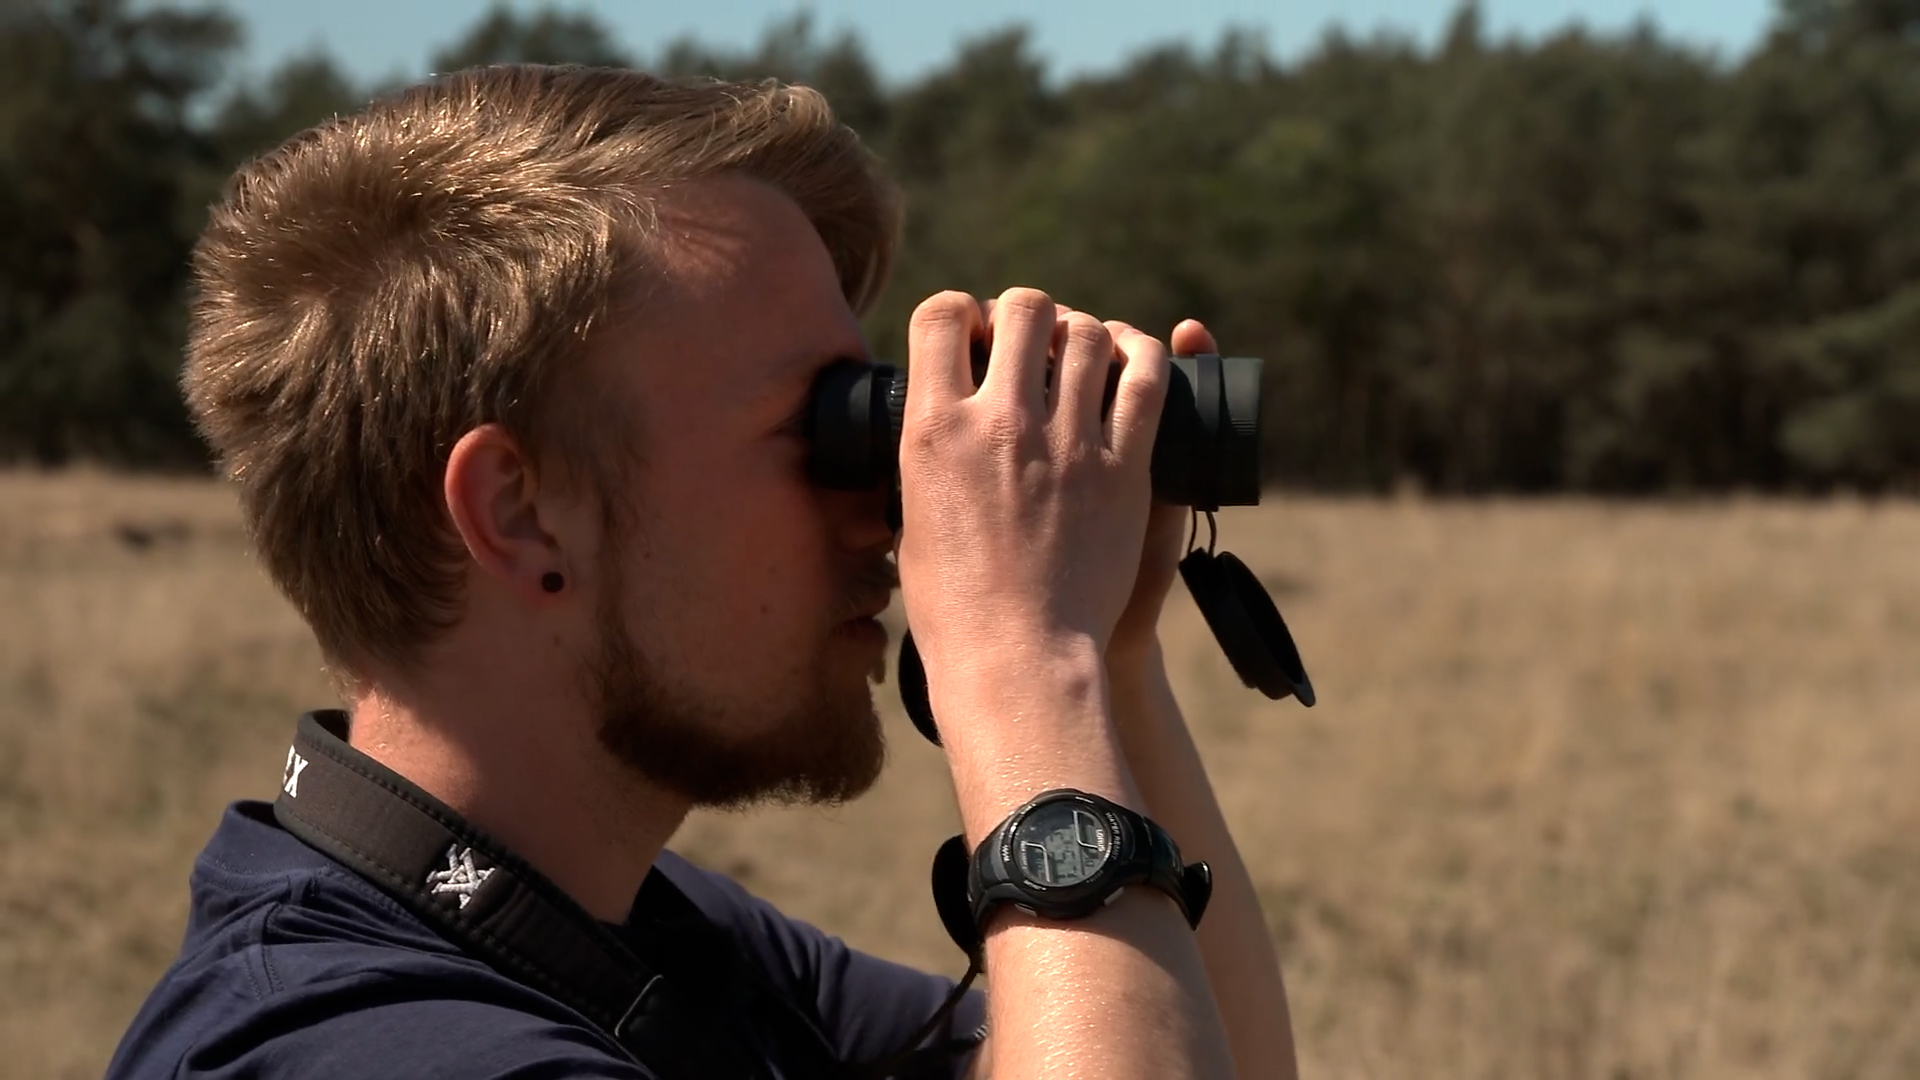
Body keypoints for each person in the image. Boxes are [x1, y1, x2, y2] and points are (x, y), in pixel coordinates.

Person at [105, 64, 1297, 1080]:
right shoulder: (355, 1043)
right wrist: (1025, 662)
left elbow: (1200, 1056)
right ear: (520, 515)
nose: (887, 511)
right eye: (816, 430)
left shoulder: (633, 932)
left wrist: (1112, 656)